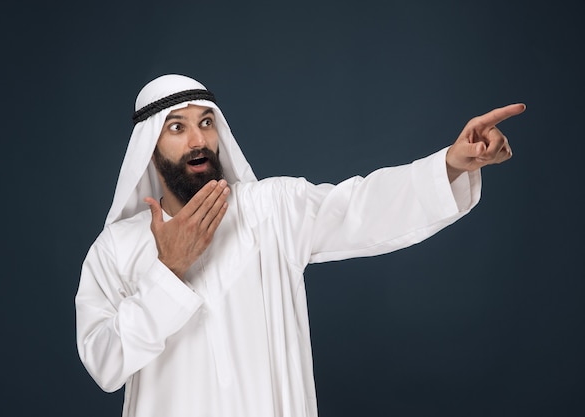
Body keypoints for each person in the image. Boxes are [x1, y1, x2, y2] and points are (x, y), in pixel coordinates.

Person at [75, 74, 525, 417]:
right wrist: (166, 272)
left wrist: (449, 164)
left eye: (206, 123)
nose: (198, 140)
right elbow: (106, 364)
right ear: (149, 148)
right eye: (177, 127)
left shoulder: (270, 209)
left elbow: (361, 207)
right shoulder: (117, 248)